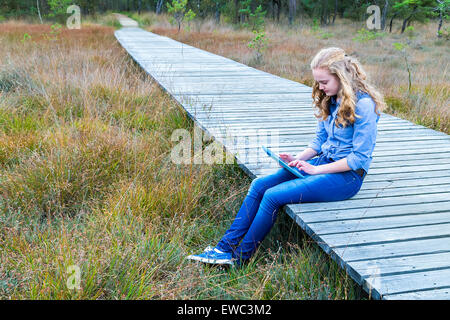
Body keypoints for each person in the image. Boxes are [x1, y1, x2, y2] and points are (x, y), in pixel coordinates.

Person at [186, 47, 387, 266]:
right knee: (259, 185)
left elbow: (359, 158)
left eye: (324, 82)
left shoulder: (364, 105)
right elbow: (320, 141)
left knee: (273, 196)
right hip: (322, 162)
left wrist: (315, 170)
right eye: (318, 82)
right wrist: (297, 158)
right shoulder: (329, 97)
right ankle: (223, 249)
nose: (320, 87)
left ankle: (239, 259)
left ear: (341, 77)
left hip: (348, 177)